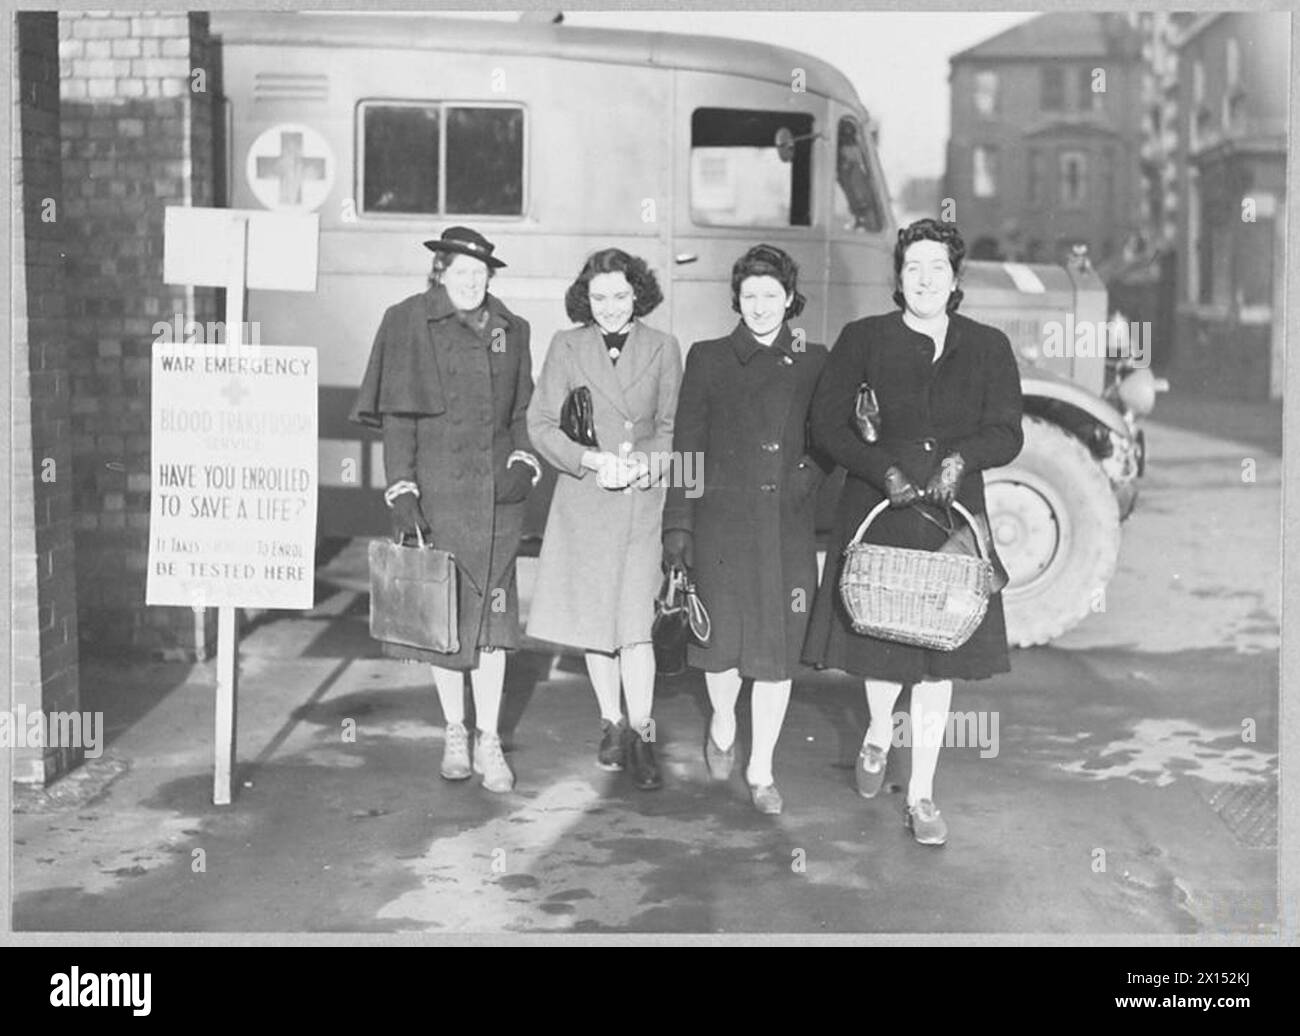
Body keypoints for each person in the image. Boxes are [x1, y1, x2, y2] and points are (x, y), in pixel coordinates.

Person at [802, 218, 1024, 845]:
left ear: (955, 279)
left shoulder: (987, 345)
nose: (924, 278)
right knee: (880, 642)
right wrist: (883, 469)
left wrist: (961, 460)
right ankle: (877, 733)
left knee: (938, 659)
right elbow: (827, 427)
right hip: (881, 507)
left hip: (951, 522)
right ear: (898, 277)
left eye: (937, 267)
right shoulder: (863, 338)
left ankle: (922, 795)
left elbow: (1008, 430)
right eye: (913, 267)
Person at [350, 226, 540, 795]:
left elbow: (523, 411)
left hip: (497, 501)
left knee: (494, 627)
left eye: (481, 274)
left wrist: (524, 463)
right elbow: (398, 417)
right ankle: (455, 732)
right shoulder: (408, 321)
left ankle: (490, 741)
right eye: (461, 272)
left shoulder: (513, 330)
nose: (471, 282)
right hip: (438, 496)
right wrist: (402, 488)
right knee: (444, 620)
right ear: (440, 272)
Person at [663, 245, 832, 815]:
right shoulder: (708, 358)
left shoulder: (814, 359)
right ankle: (721, 722)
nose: (760, 307)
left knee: (776, 653)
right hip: (720, 529)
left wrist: (805, 478)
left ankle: (761, 770)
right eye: (750, 295)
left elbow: (829, 438)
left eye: (772, 295)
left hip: (784, 529)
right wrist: (678, 528)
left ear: (790, 299)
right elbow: (686, 446)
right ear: (737, 299)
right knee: (724, 652)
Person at [526, 249, 682, 790]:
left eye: (620, 296)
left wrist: (642, 463)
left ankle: (641, 732)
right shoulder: (564, 345)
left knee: (637, 625)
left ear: (637, 294)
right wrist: (592, 461)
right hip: (586, 498)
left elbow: (671, 428)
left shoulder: (664, 348)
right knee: (597, 620)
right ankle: (611, 721)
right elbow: (541, 424)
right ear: (584, 299)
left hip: (641, 500)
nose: (610, 308)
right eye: (598, 298)